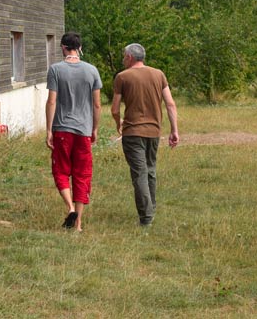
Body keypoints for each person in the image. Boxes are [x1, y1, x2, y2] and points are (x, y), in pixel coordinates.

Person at [111, 43, 179, 227]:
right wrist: (174, 130)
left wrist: (119, 124)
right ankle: (151, 209)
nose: (123, 59)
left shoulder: (122, 77)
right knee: (150, 170)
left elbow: (115, 109)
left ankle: (146, 218)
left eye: (124, 56)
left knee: (139, 174)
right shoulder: (159, 74)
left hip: (133, 132)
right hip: (154, 132)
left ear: (130, 57)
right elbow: (170, 104)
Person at [46, 32, 102, 231]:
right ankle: (78, 225)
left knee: (61, 170)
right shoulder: (92, 70)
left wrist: (48, 129)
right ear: (79, 47)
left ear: (63, 47)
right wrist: (94, 128)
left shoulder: (55, 70)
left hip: (62, 129)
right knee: (82, 174)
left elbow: (52, 100)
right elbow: (97, 105)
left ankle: (70, 208)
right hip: (83, 131)